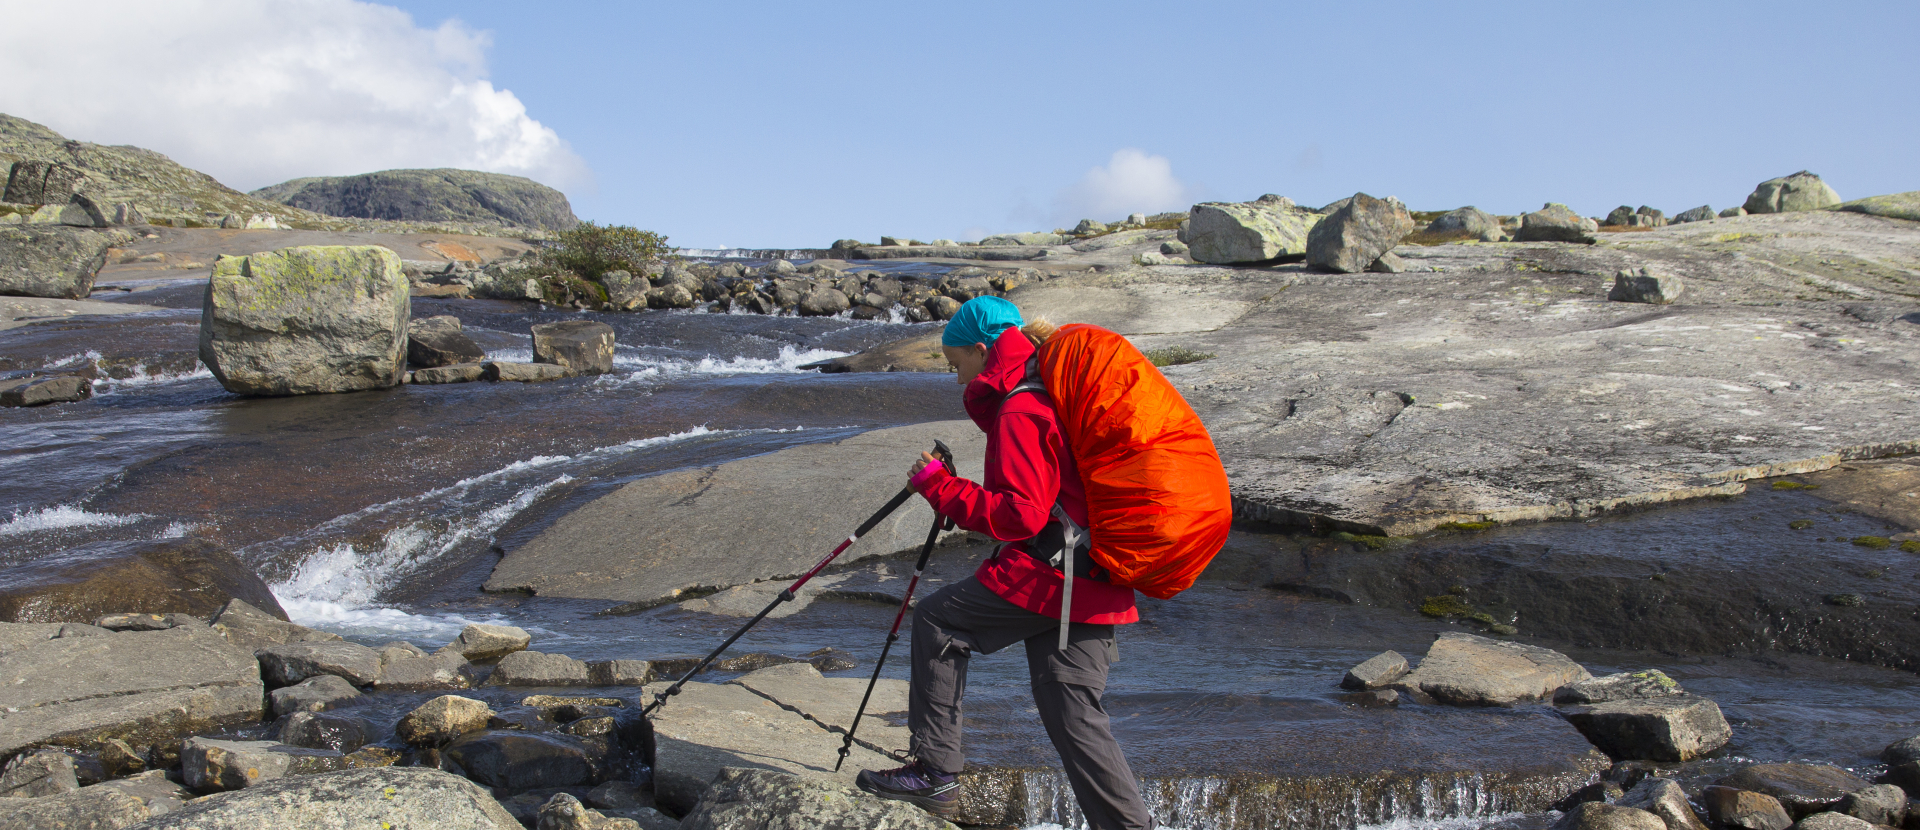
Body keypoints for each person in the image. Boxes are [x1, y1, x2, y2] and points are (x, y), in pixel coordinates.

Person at [856, 296, 1153, 830]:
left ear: (981, 349)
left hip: (1053, 577)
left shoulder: (1021, 407)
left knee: (938, 620)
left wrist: (941, 489)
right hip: (1098, 574)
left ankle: (935, 772)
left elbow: (1021, 514)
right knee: (1075, 718)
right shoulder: (1051, 390)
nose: (956, 377)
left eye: (956, 364)